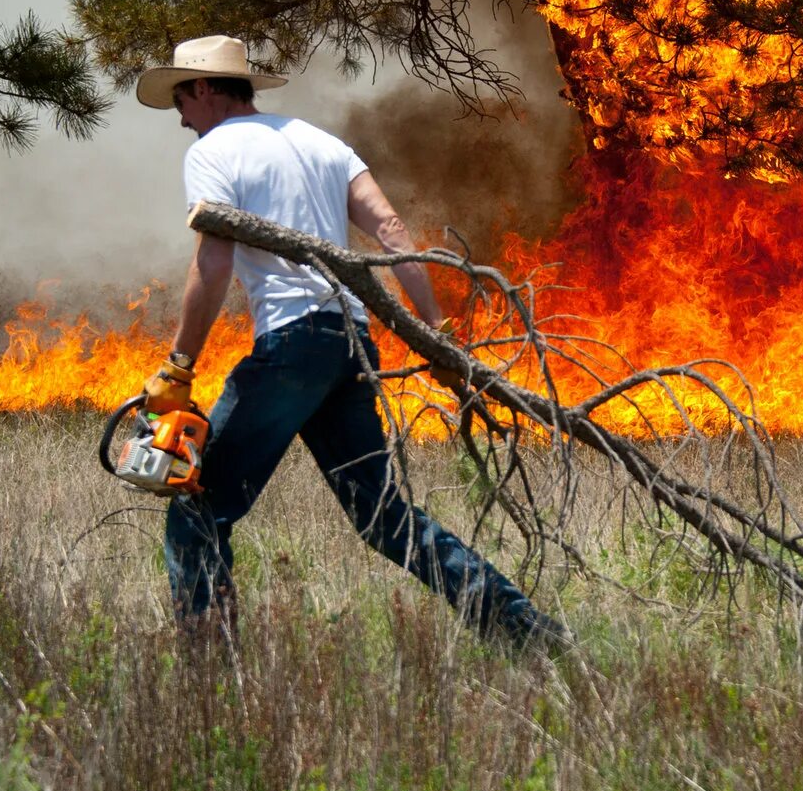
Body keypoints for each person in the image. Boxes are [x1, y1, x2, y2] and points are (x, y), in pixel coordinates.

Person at [132, 34, 563, 650]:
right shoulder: (321, 141)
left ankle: (208, 682)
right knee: (383, 517)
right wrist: (436, 333)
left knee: (197, 511)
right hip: (351, 342)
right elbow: (391, 231)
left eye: (182, 98)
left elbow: (213, 261)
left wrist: (179, 365)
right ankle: (526, 632)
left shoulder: (213, 150)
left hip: (292, 345)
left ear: (203, 88)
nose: (180, 117)